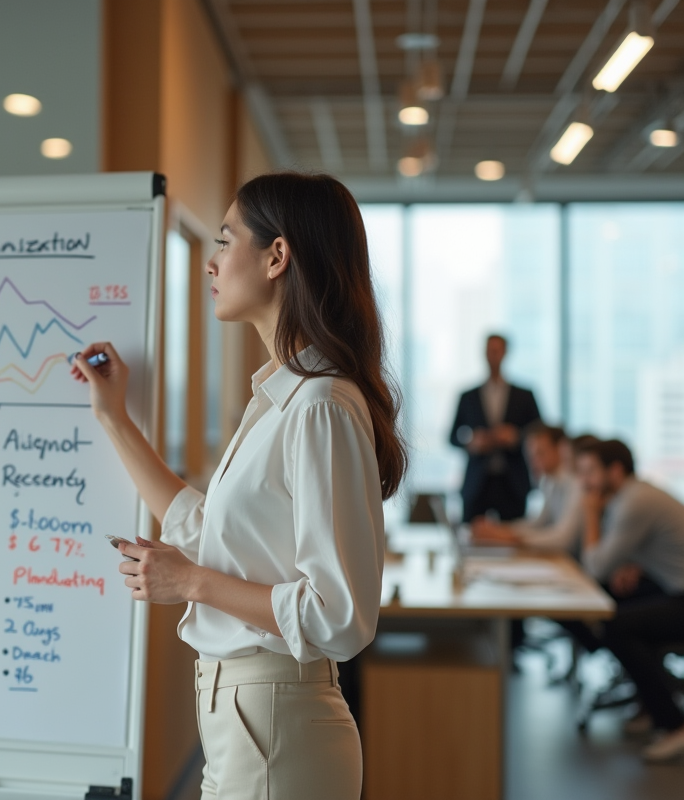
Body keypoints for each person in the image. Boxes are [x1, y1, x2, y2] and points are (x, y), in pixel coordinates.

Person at [71, 171, 406, 798]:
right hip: (252, 716)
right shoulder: (279, 398)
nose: (210, 263)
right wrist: (114, 419)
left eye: (225, 241)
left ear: (277, 256)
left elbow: (340, 614)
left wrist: (191, 581)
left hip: (275, 718)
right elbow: (205, 530)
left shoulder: (318, 404)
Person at [575, 439, 684, 762]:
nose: (585, 483)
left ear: (616, 470)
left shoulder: (633, 501)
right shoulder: (635, 495)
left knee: (617, 626)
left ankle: (674, 724)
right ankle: (649, 705)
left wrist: (590, 514)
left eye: (591, 472)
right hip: (671, 588)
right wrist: (635, 565)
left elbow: (595, 566)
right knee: (623, 606)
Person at [449, 334, 541, 522]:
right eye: (490, 351)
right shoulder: (468, 396)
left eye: (497, 351)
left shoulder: (524, 395)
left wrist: (517, 437)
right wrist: (472, 441)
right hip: (477, 482)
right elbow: (452, 436)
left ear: (505, 353)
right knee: (471, 536)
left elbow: (540, 432)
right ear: (484, 353)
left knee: (515, 536)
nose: (493, 355)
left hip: (513, 481)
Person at [471, 423, 582, 552]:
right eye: (531, 456)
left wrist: (510, 538)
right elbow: (538, 523)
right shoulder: (548, 480)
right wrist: (498, 529)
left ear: (561, 449)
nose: (534, 461)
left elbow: (563, 539)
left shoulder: (576, 482)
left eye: (540, 453)